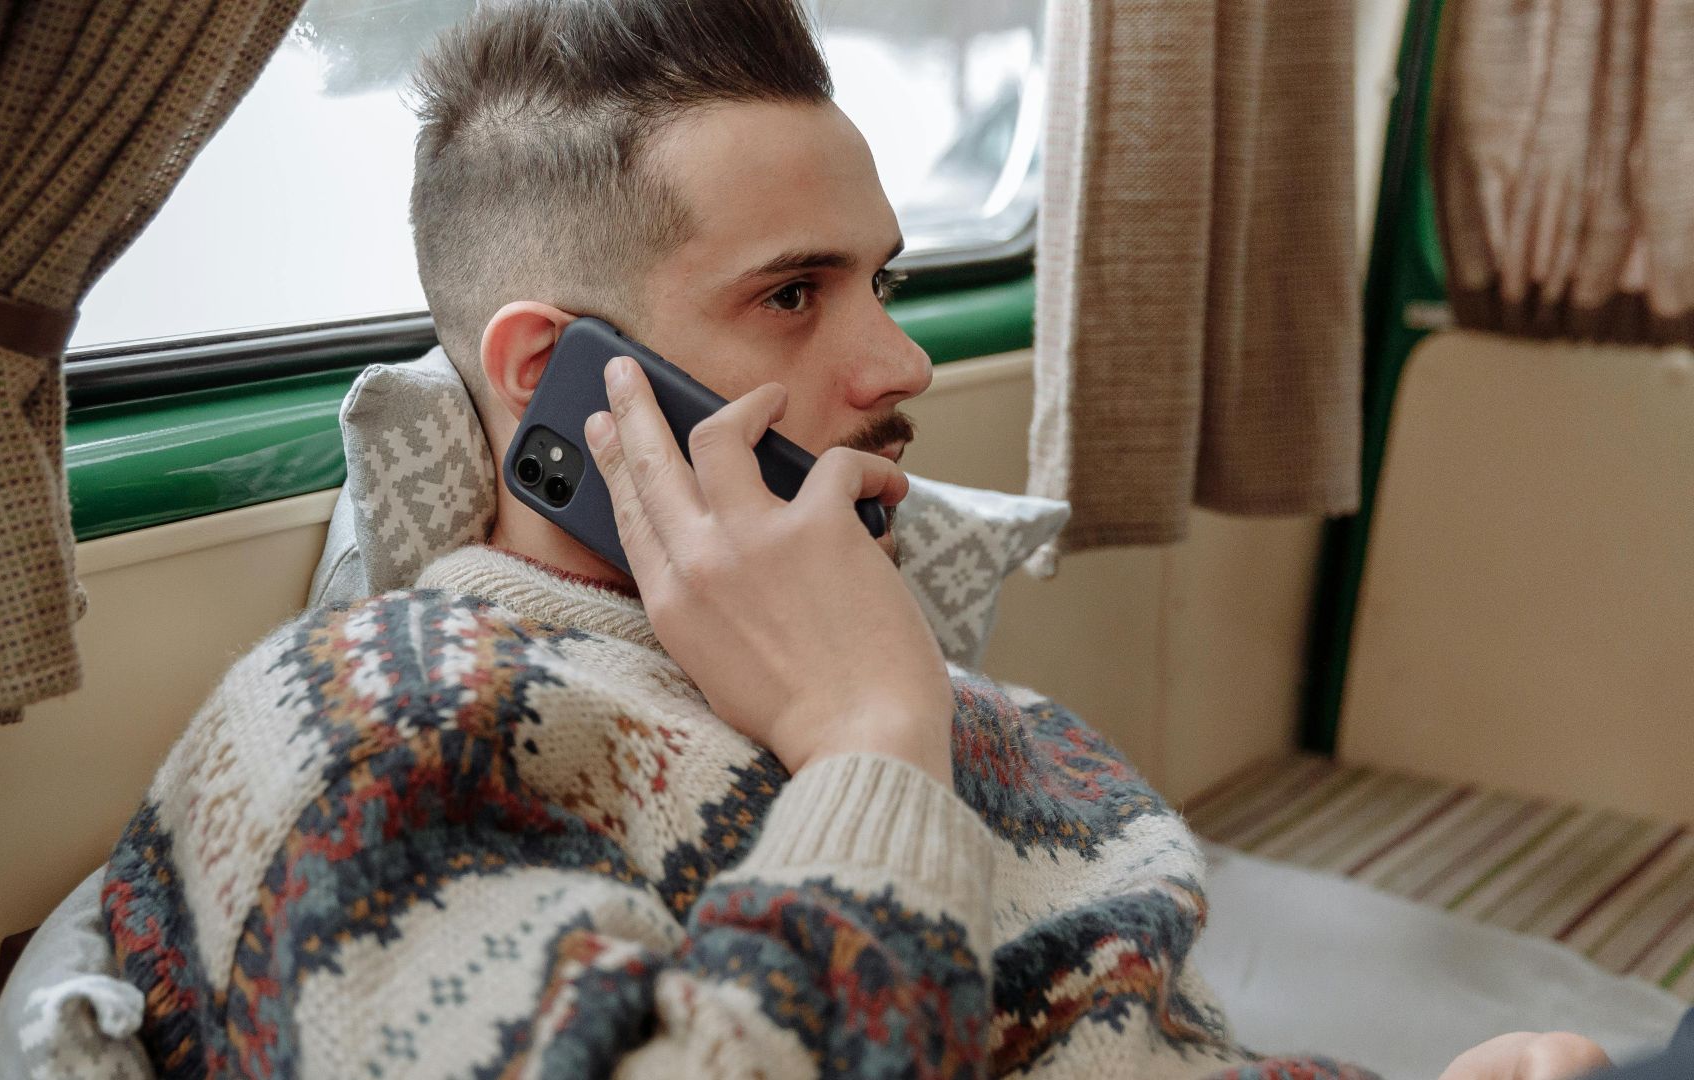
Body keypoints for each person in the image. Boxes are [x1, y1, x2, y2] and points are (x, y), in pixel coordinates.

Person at [100, 2, 1616, 1077]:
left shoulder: (970, 711)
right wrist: (869, 748)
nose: (900, 368)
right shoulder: (383, 724)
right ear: (547, 377)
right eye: (791, 293)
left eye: (880, 282)